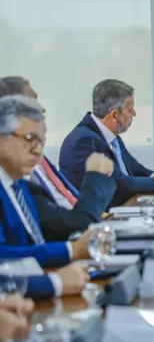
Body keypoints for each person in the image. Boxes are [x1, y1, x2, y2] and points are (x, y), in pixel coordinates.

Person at [0, 95, 93, 299]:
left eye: (41, 142)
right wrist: (56, 279)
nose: (37, 151)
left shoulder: (21, 187)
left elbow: (32, 248)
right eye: (30, 139)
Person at [0, 76, 117, 237]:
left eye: (40, 141)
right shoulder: (19, 179)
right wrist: (70, 252)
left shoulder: (24, 181)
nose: (41, 110)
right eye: (29, 105)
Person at [59, 79, 154, 206]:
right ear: (114, 115)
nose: (134, 114)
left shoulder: (110, 135)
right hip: (102, 219)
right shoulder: (85, 141)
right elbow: (121, 184)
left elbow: (137, 169)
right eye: (130, 110)